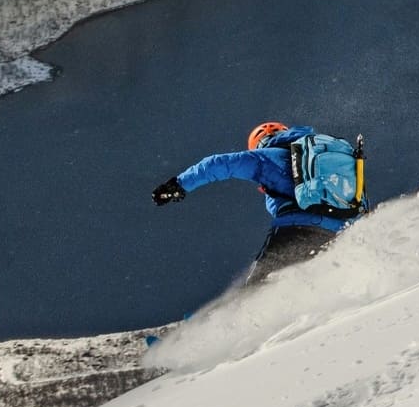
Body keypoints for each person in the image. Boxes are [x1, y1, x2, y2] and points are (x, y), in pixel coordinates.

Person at [151, 122, 366, 285]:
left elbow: (218, 164)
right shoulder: (324, 154)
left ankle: (227, 332)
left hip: (298, 229)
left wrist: (177, 185)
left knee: (258, 287)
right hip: (340, 230)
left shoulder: (267, 157)